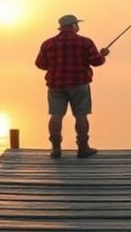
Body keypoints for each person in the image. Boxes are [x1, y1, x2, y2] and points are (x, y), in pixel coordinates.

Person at [35, 14, 110, 158]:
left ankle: (56, 149)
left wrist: (55, 66)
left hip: (55, 85)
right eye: (77, 24)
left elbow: (40, 64)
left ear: (61, 27)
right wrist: (103, 55)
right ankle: (83, 148)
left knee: (56, 115)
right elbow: (96, 62)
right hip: (79, 84)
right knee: (81, 116)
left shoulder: (48, 43)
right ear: (73, 26)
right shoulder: (85, 42)